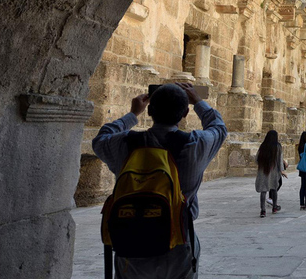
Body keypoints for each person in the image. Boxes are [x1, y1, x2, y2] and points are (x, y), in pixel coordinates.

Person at [93, 83, 227, 279]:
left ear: (149, 111)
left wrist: (132, 114)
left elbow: (101, 138)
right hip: (179, 241)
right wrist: (198, 101)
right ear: (185, 113)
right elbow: (219, 128)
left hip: (131, 239)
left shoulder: (125, 144)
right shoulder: (194, 144)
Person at [256, 130, 287, 217]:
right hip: (273, 171)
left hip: (263, 171)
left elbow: (257, 159)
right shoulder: (278, 147)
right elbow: (279, 160)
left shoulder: (263, 146)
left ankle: (263, 210)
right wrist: (282, 171)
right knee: (274, 189)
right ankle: (274, 207)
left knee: (263, 190)